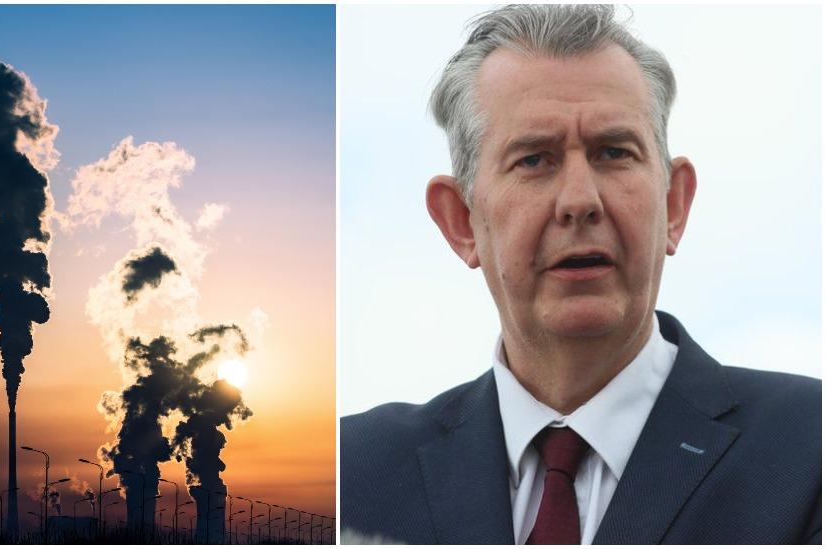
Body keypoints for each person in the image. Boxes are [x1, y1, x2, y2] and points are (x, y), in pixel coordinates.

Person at [340, 5, 821, 544]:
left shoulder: (809, 453)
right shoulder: (347, 479)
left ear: (674, 205)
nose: (579, 201)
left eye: (614, 152)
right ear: (461, 222)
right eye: (534, 160)